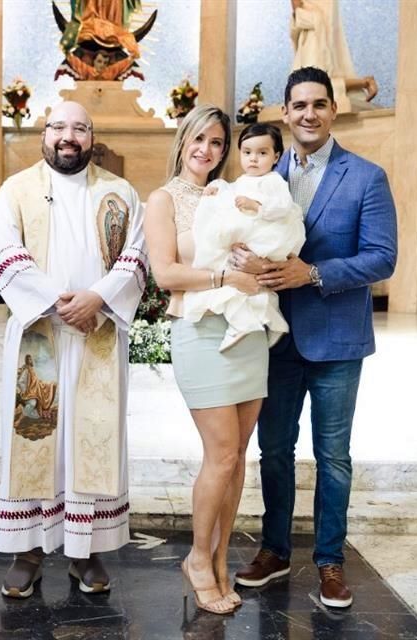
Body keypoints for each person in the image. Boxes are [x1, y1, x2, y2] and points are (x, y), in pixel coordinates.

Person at [232, 66, 397, 608]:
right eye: (299, 105)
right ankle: (275, 550)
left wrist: (315, 274)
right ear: (285, 113)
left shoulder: (366, 176)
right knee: (274, 450)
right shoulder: (262, 173)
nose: (309, 114)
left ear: (333, 110)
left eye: (319, 104)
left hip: (336, 340)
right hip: (275, 339)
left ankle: (330, 560)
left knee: (333, 456)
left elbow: (382, 257)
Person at [0, 101, 146, 598]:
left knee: (90, 444)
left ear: (91, 137)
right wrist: (60, 303)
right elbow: (6, 254)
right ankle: (27, 552)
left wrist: (96, 299)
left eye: (79, 128)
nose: (68, 136)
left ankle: (86, 551)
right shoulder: (15, 191)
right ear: (44, 133)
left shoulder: (120, 192)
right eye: (59, 126)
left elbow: (135, 257)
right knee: (36, 439)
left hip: (96, 334)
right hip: (40, 335)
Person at [143, 104, 264, 615]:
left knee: (237, 457)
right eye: (199, 139)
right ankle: (197, 558)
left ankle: (218, 558)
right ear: (183, 141)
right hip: (198, 330)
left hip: (247, 331)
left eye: (217, 142)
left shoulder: (231, 194)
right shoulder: (163, 199)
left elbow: (260, 246)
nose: (206, 150)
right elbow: (165, 274)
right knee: (221, 455)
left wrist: (257, 263)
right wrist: (223, 277)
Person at [184, 122, 305, 351]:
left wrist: (257, 205)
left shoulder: (274, 181)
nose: (253, 159)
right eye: (247, 152)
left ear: (276, 156)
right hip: (247, 239)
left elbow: (283, 206)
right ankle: (264, 322)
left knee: (249, 286)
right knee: (238, 286)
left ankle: (245, 325)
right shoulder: (242, 180)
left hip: (266, 237)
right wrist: (216, 188)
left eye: (262, 153)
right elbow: (231, 191)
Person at [289, 0, 378, 102]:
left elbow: (298, 14)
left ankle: (365, 82)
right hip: (315, 28)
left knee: (311, 86)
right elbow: (298, 14)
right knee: (309, 86)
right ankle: (365, 82)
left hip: (317, 31)